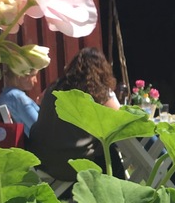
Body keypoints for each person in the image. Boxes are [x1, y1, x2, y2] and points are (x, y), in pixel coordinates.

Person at [28, 46, 121, 183]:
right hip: (74, 165)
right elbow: (119, 117)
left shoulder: (53, 88)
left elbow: (39, 102)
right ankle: (115, 198)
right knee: (111, 151)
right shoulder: (95, 93)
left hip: (44, 162)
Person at [0, 67, 40, 138]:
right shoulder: (19, 98)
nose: (36, 80)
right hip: (31, 146)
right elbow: (40, 128)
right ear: (21, 75)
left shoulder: (2, 97)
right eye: (33, 75)